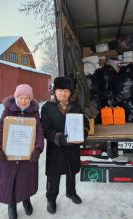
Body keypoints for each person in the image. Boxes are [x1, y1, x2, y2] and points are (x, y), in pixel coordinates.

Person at [0, 84, 44, 219]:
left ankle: (26, 200)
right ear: (16, 97)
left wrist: (37, 149)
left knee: (26, 181)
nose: (23, 100)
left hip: (27, 157)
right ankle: (12, 205)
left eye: (27, 98)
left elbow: (39, 132)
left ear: (30, 100)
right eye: (21, 97)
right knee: (11, 182)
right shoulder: (8, 111)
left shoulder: (34, 113)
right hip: (9, 156)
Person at [41, 76, 89, 214]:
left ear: (71, 93)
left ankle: (71, 192)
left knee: (71, 172)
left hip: (72, 148)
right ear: (55, 91)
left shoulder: (76, 106)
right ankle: (51, 198)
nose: (63, 93)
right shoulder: (47, 108)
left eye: (67, 91)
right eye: (60, 90)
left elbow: (84, 123)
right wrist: (59, 138)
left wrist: (83, 133)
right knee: (53, 176)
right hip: (55, 149)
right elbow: (46, 129)